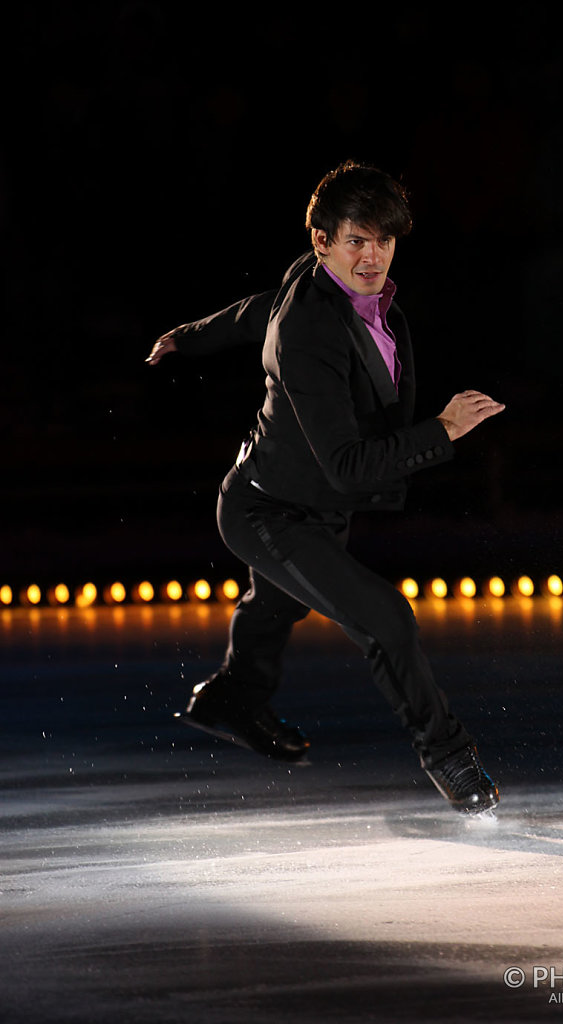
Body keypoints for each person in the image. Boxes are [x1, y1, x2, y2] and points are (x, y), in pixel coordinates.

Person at [147, 161, 505, 814]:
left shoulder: (319, 287)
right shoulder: (311, 332)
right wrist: (442, 431)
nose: (372, 257)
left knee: (276, 605)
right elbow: (345, 462)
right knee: (384, 618)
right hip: (267, 509)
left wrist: (190, 337)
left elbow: (257, 311)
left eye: (384, 241)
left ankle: (232, 696)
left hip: (312, 504)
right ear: (322, 241)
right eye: (356, 241)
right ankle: (448, 755)